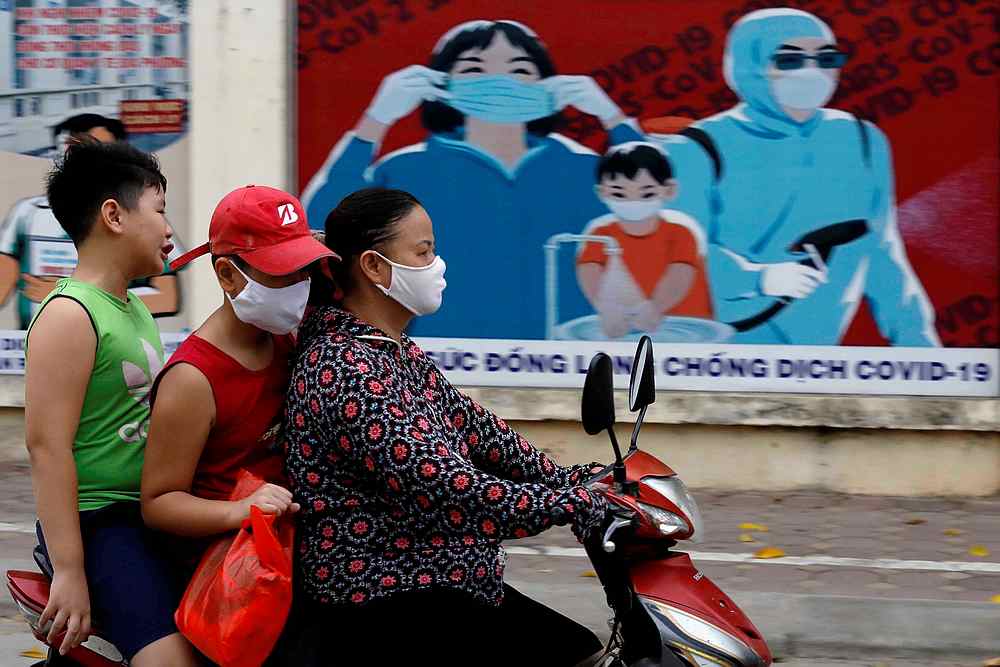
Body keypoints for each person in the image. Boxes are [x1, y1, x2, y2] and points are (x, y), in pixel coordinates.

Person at [274, 188, 608, 665]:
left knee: (578, 649)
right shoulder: (343, 367)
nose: (437, 264)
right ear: (373, 267)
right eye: (424, 252)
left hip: (441, 580)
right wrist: (572, 503)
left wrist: (591, 477)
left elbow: (486, 436)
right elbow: (445, 487)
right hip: (384, 594)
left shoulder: (392, 350)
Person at [301, 19, 644, 339]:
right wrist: (376, 119)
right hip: (439, 360)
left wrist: (611, 116)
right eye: (474, 69)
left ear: (549, 85)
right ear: (439, 84)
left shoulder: (583, 168)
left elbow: (666, 206)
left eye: (520, 69)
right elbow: (323, 228)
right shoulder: (407, 168)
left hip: (565, 361)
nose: (501, 83)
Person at [659, 8, 938, 345]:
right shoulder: (696, 150)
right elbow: (675, 253)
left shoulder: (862, 140)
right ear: (749, 66)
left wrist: (919, 343)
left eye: (826, 59)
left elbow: (881, 252)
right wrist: (757, 279)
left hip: (818, 357)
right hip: (727, 349)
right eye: (789, 61)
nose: (812, 72)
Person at [23, 140, 198, 665]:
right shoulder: (70, 315)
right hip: (99, 524)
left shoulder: (134, 308)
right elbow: (46, 449)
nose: (170, 229)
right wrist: (71, 570)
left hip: (148, 514)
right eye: (161, 210)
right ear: (114, 215)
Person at [141, 186, 337, 565]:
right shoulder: (193, 379)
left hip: (287, 546)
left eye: (304, 270)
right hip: (227, 567)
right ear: (228, 275)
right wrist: (242, 510)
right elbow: (160, 503)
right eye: (282, 273)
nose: (300, 287)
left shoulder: (287, 338)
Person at [1, 113, 184, 330]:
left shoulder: (141, 220)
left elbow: (167, 296)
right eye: (73, 152)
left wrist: (73, 297)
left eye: (100, 154)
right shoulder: (28, 214)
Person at [577, 142, 712, 339]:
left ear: (669, 190)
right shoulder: (600, 234)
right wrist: (606, 308)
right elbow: (590, 270)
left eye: (647, 193)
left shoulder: (680, 233)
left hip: (687, 330)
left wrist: (654, 307)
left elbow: (680, 273)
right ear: (601, 193)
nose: (633, 202)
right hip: (628, 334)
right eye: (619, 193)